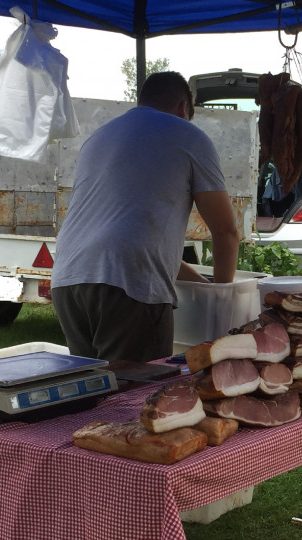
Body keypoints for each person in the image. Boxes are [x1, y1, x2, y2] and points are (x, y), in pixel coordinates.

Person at [51, 71, 239, 362]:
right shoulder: (188, 136)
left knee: (93, 393)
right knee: (137, 397)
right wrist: (223, 298)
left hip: (68, 277)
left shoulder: (99, 137)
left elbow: (136, 243)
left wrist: (205, 284)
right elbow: (225, 232)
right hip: (127, 287)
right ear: (182, 108)